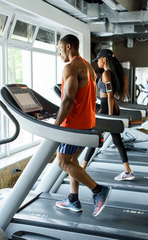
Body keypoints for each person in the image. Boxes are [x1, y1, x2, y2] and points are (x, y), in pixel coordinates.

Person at [54, 35, 111, 217]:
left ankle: (97, 190)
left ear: (68, 47)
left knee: (62, 161)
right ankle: (73, 199)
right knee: (72, 161)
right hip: (87, 123)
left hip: (74, 125)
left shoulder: (70, 67)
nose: (59, 53)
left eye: (60, 49)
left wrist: (55, 126)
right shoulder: (88, 67)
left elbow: (68, 99)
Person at [82, 49, 135, 181]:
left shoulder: (106, 74)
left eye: (98, 59)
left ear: (104, 59)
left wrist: (110, 116)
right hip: (106, 109)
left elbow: (110, 96)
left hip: (108, 110)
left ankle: (81, 169)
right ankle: (128, 171)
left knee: (93, 139)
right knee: (116, 141)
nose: (97, 62)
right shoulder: (107, 74)